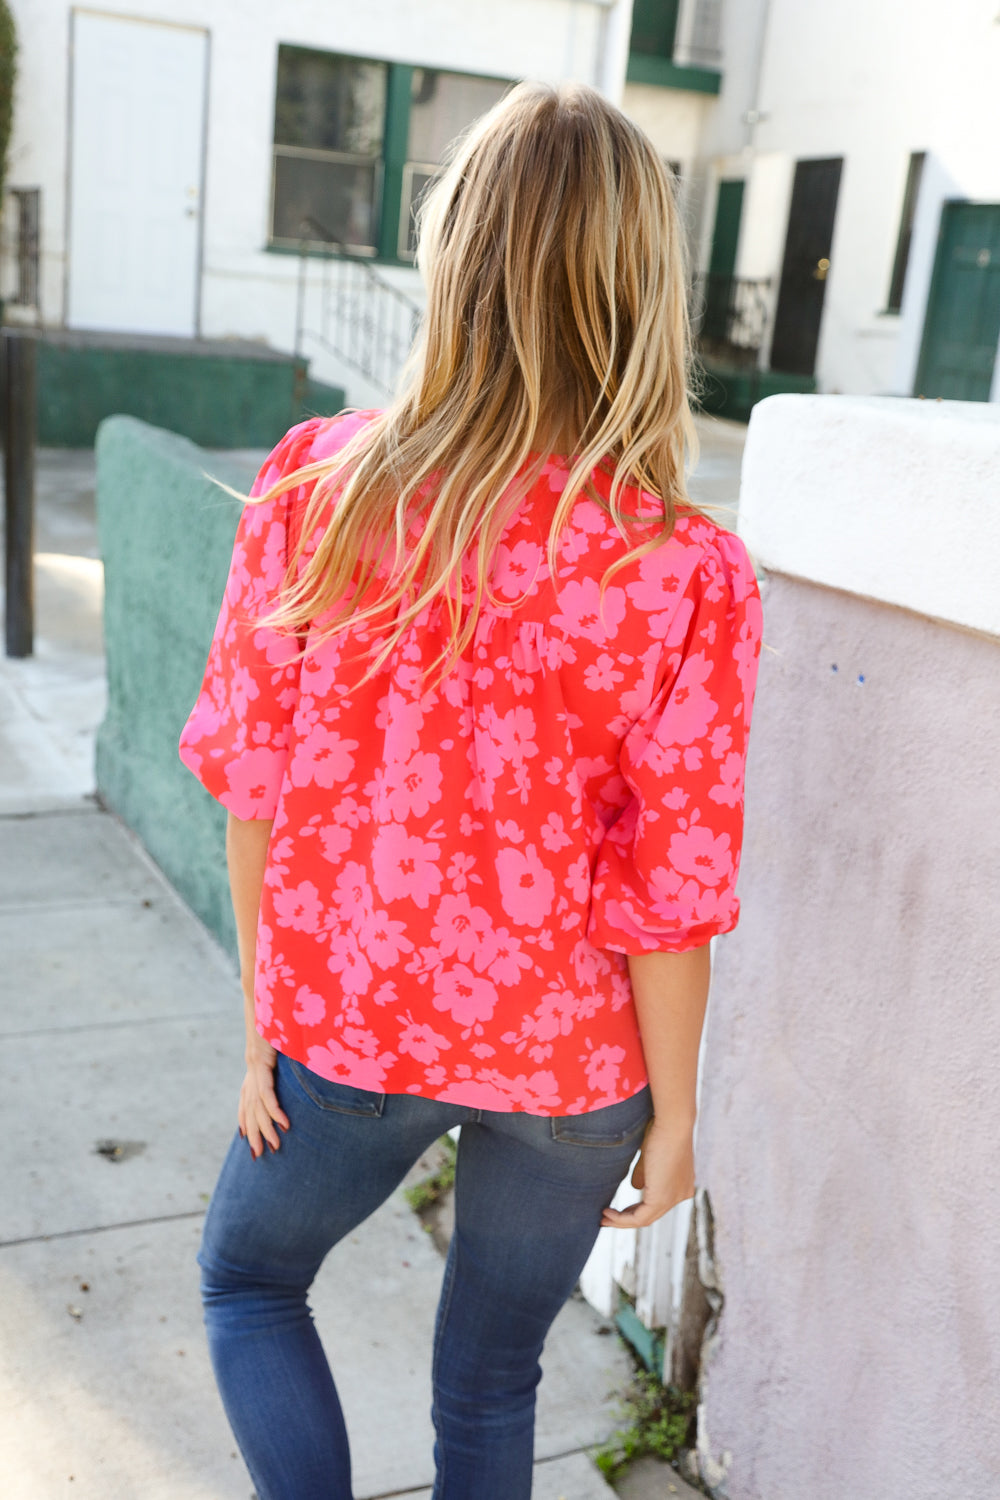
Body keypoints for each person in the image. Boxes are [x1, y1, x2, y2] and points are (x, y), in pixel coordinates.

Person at [179, 80, 761, 1500]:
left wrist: (265, 1019)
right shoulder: (685, 570)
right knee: (494, 1384)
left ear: (457, 255)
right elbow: (668, 892)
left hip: (354, 1032)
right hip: (575, 1071)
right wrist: (676, 1115)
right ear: (636, 290)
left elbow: (253, 779)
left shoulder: (320, 488)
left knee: (250, 1284)